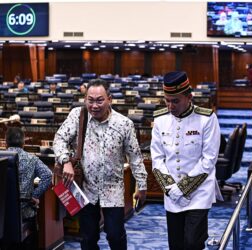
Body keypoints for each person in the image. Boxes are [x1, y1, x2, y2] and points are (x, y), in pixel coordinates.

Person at [53, 79, 147, 250]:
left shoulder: (124, 124)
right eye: (90, 100)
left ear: (109, 99)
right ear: (85, 99)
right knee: (88, 238)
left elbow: (135, 157)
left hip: (113, 189)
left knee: (114, 235)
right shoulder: (77, 116)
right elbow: (59, 139)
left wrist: (142, 185)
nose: (94, 105)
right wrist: (65, 161)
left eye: (99, 100)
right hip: (86, 189)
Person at [150, 71, 221, 250]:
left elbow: (209, 160)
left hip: (199, 191)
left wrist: (183, 188)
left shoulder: (206, 118)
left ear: (189, 97)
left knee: (192, 242)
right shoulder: (160, 119)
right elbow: (157, 158)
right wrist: (171, 188)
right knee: (176, 244)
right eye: (167, 100)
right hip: (171, 190)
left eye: (175, 101)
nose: (170, 106)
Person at [5, 127, 52, 249]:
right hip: (24, 211)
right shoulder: (32, 159)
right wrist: (35, 195)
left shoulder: (2, 157)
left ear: (6, 142)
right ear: (23, 142)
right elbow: (48, 175)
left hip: (3, 213)